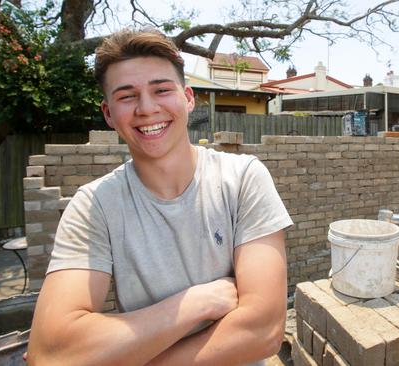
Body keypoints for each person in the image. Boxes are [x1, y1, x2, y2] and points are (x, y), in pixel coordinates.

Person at [27, 29, 293, 366]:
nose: (147, 108)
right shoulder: (94, 206)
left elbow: (264, 330)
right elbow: (50, 352)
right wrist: (195, 303)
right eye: (127, 97)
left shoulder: (241, 179)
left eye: (162, 90)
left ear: (188, 98)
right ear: (108, 114)